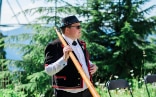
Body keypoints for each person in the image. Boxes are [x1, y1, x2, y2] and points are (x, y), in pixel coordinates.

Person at [44, 15, 98, 97]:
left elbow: (83, 60)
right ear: (67, 29)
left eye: (80, 26)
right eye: (78, 27)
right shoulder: (54, 45)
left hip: (87, 91)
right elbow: (48, 70)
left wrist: (93, 66)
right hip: (67, 94)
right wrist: (64, 59)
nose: (80, 29)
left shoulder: (81, 43)